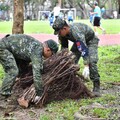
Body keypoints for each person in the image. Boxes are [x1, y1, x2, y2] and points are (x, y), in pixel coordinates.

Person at [52, 17, 101, 97]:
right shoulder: (63, 34)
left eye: (59, 32)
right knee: (69, 62)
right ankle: (70, 84)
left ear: (64, 28)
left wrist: (86, 65)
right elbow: (64, 48)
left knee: (91, 62)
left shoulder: (76, 32)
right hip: (78, 43)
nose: (58, 34)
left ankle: (96, 86)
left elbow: (83, 48)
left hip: (90, 41)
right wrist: (63, 59)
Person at [0, 34, 58, 99]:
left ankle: (15, 88)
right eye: (52, 54)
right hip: (3, 48)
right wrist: (39, 93)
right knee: (13, 71)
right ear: (48, 50)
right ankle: (3, 95)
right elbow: (37, 73)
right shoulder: (38, 50)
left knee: (23, 69)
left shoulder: (38, 47)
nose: (51, 57)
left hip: (12, 50)